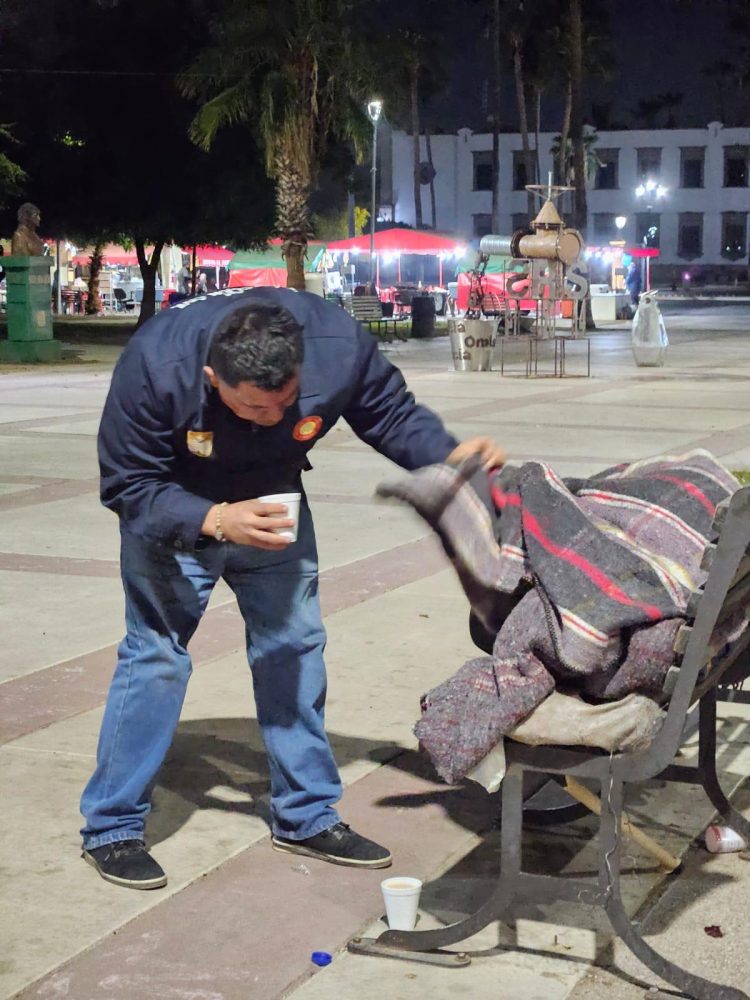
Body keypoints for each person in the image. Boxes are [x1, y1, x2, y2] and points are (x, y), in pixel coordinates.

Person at [80, 287, 505, 891]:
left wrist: (450, 456)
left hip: (276, 502)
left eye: (285, 404)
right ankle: (112, 828)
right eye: (254, 410)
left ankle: (305, 816)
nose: (274, 418)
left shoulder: (336, 344)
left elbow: (389, 413)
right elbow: (127, 483)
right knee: (156, 658)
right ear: (210, 378)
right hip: (175, 510)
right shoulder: (155, 365)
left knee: (294, 649)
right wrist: (215, 520)